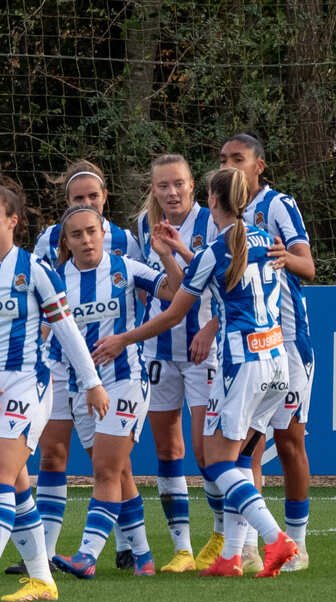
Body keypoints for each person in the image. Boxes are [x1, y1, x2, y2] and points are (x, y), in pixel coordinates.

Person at [107, 167, 299, 577]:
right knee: (242, 458)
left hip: (241, 364)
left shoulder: (217, 248)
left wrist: (125, 338)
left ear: (211, 199)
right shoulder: (262, 240)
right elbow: (224, 273)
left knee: (217, 464)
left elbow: (175, 311)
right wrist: (183, 251)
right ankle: (231, 555)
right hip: (276, 360)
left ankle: (276, 539)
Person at [0, 182, 109, 602]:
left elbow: (67, 329)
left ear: (13, 221)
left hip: (26, 383)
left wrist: (91, 382)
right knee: (15, 484)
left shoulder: (33, 269)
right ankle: (42, 579)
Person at [14, 160, 143, 576]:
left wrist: (129, 340)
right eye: (78, 199)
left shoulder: (124, 242)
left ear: (105, 198)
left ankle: (126, 547)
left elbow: (156, 294)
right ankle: (44, 552)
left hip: (116, 369)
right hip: (60, 368)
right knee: (53, 454)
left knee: (112, 464)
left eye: (93, 197)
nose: (87, 204)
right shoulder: (47, 244)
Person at [48, 205, 185, 579]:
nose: (86, 240)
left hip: (127, 380)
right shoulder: (57, 280)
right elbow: (49, 336)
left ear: (102, 232)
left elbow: (175, 291)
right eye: (77, 235)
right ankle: (143, 556)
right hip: (82, 389)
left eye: (92, 231)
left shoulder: (126, 268)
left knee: (105, 469)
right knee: (119, 470)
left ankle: (86, 555)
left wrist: (165, 255)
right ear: (66, 241)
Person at [218, 133, 314, 572]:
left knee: (289, 440)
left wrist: (282, 256)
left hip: (289, 340)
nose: (230, 165)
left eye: (238, 158)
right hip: (250, 343)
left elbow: (307, 266)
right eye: (224, 159)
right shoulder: (221, 214)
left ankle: (297, 543)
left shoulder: (276, 205)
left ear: (259, 166)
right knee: (247, 447)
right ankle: (249, 546)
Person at [135, 154, 221, 573]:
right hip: (159, 353)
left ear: (193, 187)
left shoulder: (213, 224)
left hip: (204, 349)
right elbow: (145, 283)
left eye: (178, 184)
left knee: (207, 453)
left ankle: (222, 537)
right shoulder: (141, 227)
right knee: (168, 448)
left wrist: (210, 329)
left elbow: (225, 283)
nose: (171, 192)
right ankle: (183, 549)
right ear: (153, 190)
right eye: (163, 186)